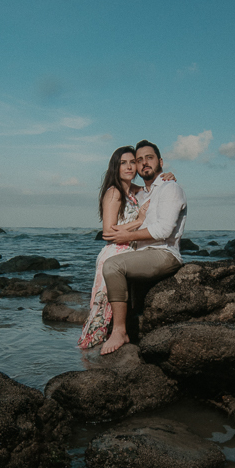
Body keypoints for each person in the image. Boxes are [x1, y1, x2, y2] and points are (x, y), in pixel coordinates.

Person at [98, 140, 187, 355]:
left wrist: (127, 235)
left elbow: (163, 230)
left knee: (113, 267)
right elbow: (111, 225)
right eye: (139, 160)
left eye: (149, 158)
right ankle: (117, 328)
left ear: (160, 162)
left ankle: (120, 331)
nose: (143, 163)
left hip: (163, 252)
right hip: (141, 253)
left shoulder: (170, 188)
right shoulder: (142, 193)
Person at [76, 146, 147, 350]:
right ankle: (88, 355)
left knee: (121, 307)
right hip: (114, 255)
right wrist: (139, 221)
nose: (129, 167)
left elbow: (154, 188)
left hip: (127, 256)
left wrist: (166, 175)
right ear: (115, 167)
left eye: (132, 162)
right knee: (103, 310)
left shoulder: (132, 190)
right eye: (123, 163)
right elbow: (107, 232)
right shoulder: (114, 192)